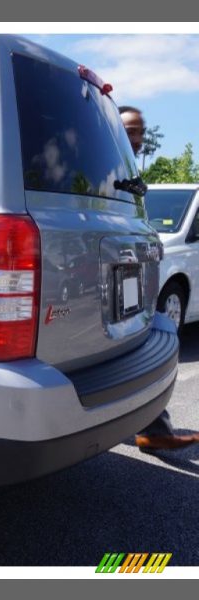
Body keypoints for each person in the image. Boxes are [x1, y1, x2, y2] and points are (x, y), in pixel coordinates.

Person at [119, 105, 199, 451]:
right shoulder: (107, 165)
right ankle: (152, 427)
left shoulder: (125, 168)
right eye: (130, 131)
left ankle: (152, 426)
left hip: (127, 273)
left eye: (139, 131)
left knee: (140, 340)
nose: (137, 138)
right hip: (108, 273)